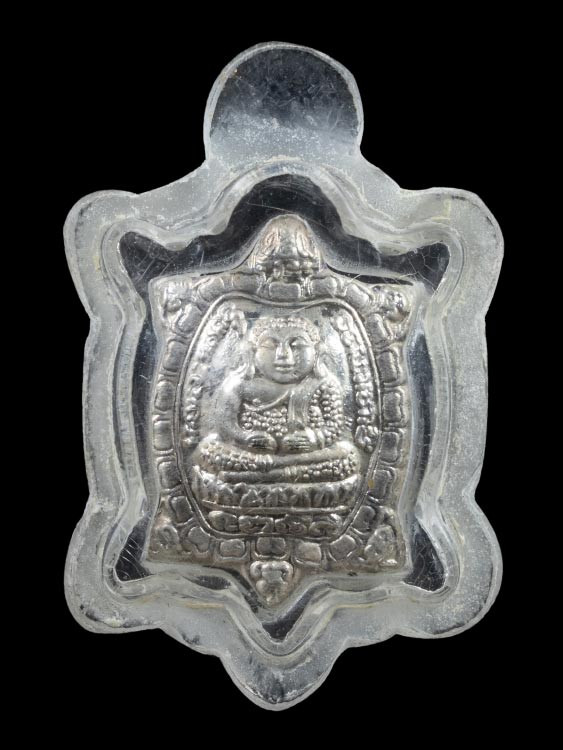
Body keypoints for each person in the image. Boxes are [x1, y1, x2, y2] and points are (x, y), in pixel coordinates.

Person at [193, 315, 359, 485]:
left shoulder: (323, 383)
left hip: (307, 455)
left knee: (347, 455)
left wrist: (314, 439)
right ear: (251, 352)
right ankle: (286, 472)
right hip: (253, 454)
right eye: (270, 346)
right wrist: (244, 437)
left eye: (296, 346)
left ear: (318, 352)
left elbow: (334, 426)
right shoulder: (240, 384)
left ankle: (264, 474)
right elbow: (224, 423)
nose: (283, 355)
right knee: (208, 451)